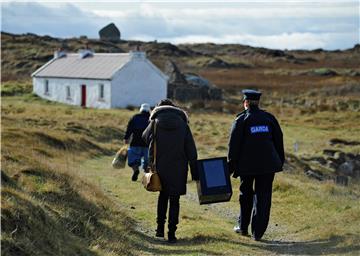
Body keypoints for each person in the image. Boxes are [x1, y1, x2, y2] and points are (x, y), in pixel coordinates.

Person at [228, 89, 284, 241]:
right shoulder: (269, 119)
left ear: (245, 103)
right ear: (258, 103)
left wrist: (230, 166)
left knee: (245, 195)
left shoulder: (241, 120)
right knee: (264, 197)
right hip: (268, 166)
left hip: (247, 167)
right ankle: (257, 233)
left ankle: (243, 226)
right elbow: (279, 141)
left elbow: (233, 145)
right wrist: (279, 161)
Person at [142, 99, 198, 243]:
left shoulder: (154, 122)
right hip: (179, 169)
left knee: (162, 197)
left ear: (160, 108)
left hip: (160, 167)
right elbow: (191, 150)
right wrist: (195, 172)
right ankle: (172, 233)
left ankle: (159, 229)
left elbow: (144, 137)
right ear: (174, 109)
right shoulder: (183, 124)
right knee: (175, 200)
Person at [124, 103, 151, 181]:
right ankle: (147, 177)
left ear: (141, 110)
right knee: (147, 161)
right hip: (147, 144)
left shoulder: (135, 117)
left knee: (134, 159)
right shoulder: (151, 119)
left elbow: (129, 129)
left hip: (135, 142)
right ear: (149, 110)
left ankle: (136, 170)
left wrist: (126, 138)